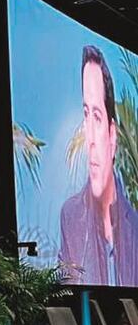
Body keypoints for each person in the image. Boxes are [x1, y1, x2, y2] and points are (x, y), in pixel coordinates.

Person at [59, 45, 138, 287]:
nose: (90, 138)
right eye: (85, 114)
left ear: (112, 135)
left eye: (97, 116)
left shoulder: (134, 224)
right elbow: (66, 293)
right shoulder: (71, 217)